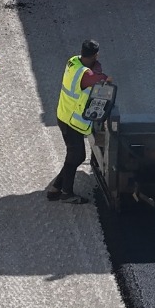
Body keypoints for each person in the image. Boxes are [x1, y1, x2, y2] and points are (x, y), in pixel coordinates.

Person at [47, 39, 111, 204]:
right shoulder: (87, 75)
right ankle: (66, 193)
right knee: (76, 156)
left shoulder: (73, 61)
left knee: (74, 155)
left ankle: (56, 188)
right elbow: (104, 79)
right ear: (96, 54)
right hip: (71, 121)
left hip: (63, 115)